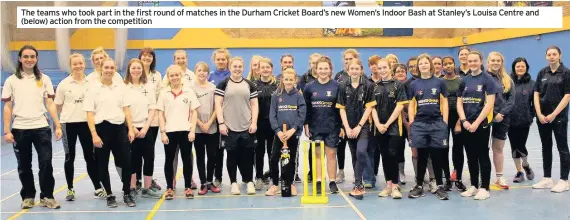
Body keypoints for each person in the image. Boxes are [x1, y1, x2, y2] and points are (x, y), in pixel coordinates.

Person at [2, 45, 63, 209]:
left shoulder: (44, 79)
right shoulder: (11, 80)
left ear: (36, 59)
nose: (29, 59)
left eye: (32, 56)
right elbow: (7, 106)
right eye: (26, 56)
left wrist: (57, 125)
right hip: (20, 128)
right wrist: (7, 131)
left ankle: (47, 196)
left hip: (41, 128)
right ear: (20, 59)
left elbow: (50, 103)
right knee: (24, 165)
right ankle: (28, 196)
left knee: (46, 163)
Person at [84, 58, 136, 207]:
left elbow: (126, 109)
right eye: (106, 67)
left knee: (126, 162)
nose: (109, 70)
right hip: (101, 129)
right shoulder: (92, 88)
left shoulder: (121, 87)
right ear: (101, 68)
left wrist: (130, 129)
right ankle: (109, 195)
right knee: (102, 164)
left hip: (119, 129)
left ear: (115, 69)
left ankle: (127, 193)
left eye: (112, 68)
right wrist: (94, 134)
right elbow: (89, 113)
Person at [55, 53, 106, 201]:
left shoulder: (91, 83)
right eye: (75, 64)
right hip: (68, 124)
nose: (78, 66)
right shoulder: (64, 84)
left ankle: (97, 187)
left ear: (85, 64)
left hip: (86, 124)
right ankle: (70, 189)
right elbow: (57, 106)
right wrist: (58, 126)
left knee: (90, 156)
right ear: (71, 66)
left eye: (80, 63)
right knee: (69, 157)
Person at [457, 51, 500, 200]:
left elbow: (490, 103)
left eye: (475, 60)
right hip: (467, 124)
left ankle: (485, 187)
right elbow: (459, 102)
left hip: (481, 124)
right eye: (470, 61)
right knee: (470, 155)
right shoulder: (464, 80)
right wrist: (464, 121)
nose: (472, 63)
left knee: (482, 154)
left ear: (481, 61)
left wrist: (476, 123)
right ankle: (474, 185)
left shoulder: (488, 79)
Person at [407, 54, 450, 200]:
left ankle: (439, 185)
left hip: (437, 122)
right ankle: (419, 185)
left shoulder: (439, 82)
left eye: (426, 63)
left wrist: (444, 121)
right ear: (418, 67)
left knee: (437, 154)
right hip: (419, 123)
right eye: (421, 64)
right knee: (421, 155)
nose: (423, 65)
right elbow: (411, 104)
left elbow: (444, 102)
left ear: (430, 65)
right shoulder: (413, 84)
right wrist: (412, 122)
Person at [215, 57, 259, 195]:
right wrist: (221, 123)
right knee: (231, 155)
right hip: (229, 127)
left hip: (247, 126)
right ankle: (234, 183)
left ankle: (249, 181)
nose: (237, 68)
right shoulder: (223, 84)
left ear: (243, 68)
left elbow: (254, 105)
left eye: (240, 66)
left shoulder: (249, 84)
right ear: (230, 67)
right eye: (235, 66)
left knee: (248, 155)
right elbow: (218, 104)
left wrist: (253, 122)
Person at [157, 65, 200, 199]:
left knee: (187, 160)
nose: (174, 77)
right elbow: (160, 114)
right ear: (168, 77)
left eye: (177, 75)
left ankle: (187, 187)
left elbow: (194, 112)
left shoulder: (188, 91)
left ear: (181, 75)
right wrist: (163, 132)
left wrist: (192, 130)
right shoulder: (164, 93)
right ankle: (170, 188)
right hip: (170, 131)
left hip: (186, 131)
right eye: (172, 75)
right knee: (169, 160)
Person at [532, 46, 570, 193]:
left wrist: (554, 114)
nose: (552, 56)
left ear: (560, 55)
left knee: (562, 148)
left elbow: (567, 96)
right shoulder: (542, 72)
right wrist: (539, 113)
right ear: (546, 56)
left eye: (554, 54)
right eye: (549, 54)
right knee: (545, 146)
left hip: (558, 117)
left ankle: (564, 180)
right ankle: (547, 178)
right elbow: (536, 93)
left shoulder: (566, 73)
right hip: (543, 118)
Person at [337, 59, 376, 200]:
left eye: (357, 68)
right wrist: (347, 128)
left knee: (361, 151)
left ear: (361, 70)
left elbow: (369, 108)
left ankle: (359, 184)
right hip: (348, 127)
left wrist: (359, 126)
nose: (354, 71)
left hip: (363, 126)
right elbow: (341, 109)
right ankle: (358, 184)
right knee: (354, 156)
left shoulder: (368, 86)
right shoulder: (342, 86)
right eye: (351, 68)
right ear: (348, 70)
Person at [123, 58, 162, 199]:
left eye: (139, 68)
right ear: (129, 70)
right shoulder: (124, 87)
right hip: (130, 129)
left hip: (146, 128)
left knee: (149, 157)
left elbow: (152, 108)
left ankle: (146, 188)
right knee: (133, 159)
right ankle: (132, 187)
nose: (136, 70)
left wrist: (145, 127)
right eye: (133, 68)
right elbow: (124, 109)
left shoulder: (148, 86)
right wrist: (132, 127)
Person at [303, 56, 341, 194]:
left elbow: (341, 108)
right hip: (315, 126)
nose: (323, 71)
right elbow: (306, 108)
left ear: (330, 70)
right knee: (318, 155)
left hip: (332, 126)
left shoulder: (337, 86)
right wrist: (306, 124)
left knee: (331, 154)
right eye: (320, 68)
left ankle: (332, 181)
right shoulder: (309, 87)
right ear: (315, 69)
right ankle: (319, 180)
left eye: (326, 68)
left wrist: (341, 126)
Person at [265, 68, 306, 196]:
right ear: (282, 79)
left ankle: (291, 183)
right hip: (280, 135)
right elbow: (272, 115)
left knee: (292, 159)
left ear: (295, 80)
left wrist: (293, 130)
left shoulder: (299, 96)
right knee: (274, 158)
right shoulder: (276, 96)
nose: (288, 82)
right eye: (286, 79)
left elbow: (302, 115)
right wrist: (278, 131)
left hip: (293, 134)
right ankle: (275, 184)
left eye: (291, 80)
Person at [371, 59, 407, 199]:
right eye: (380, 68)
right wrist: (379, 124)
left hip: (394, 127)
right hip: (379, 127)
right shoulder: (374, 86)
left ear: (390, 68)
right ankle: (388, 185)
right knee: (385, 155)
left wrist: (387, 124)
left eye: (384, 67)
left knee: (393, 154)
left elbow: (399, 107)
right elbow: (371, 107)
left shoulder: (398, 85)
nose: (382, 70)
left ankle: (395, 186)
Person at [193, 62, 222, 195]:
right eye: (199, 70)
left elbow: (217, 108)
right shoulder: (191, 89)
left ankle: (210, 181)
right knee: (200, 156)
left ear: (207, 73)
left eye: (204, 71)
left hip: (212, 129)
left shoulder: (213, 88)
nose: (202, 73)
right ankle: (203, 183)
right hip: (198, 129)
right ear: (195, 72)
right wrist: (199, 123)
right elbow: (190, 109)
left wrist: (209, 123)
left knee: (212, 156)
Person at [508, 57, 536, 183]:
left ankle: (526, 165)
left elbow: (535, 103)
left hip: (524, 120)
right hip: (509, 120)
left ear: (526, 68)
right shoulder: (508, 82)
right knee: (514, 146)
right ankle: (519, 171)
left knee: (521, 145)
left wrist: (531, 115)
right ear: (514, 68)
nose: (520, 68)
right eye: (518, 66)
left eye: (522, 66)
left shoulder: (532, 83)